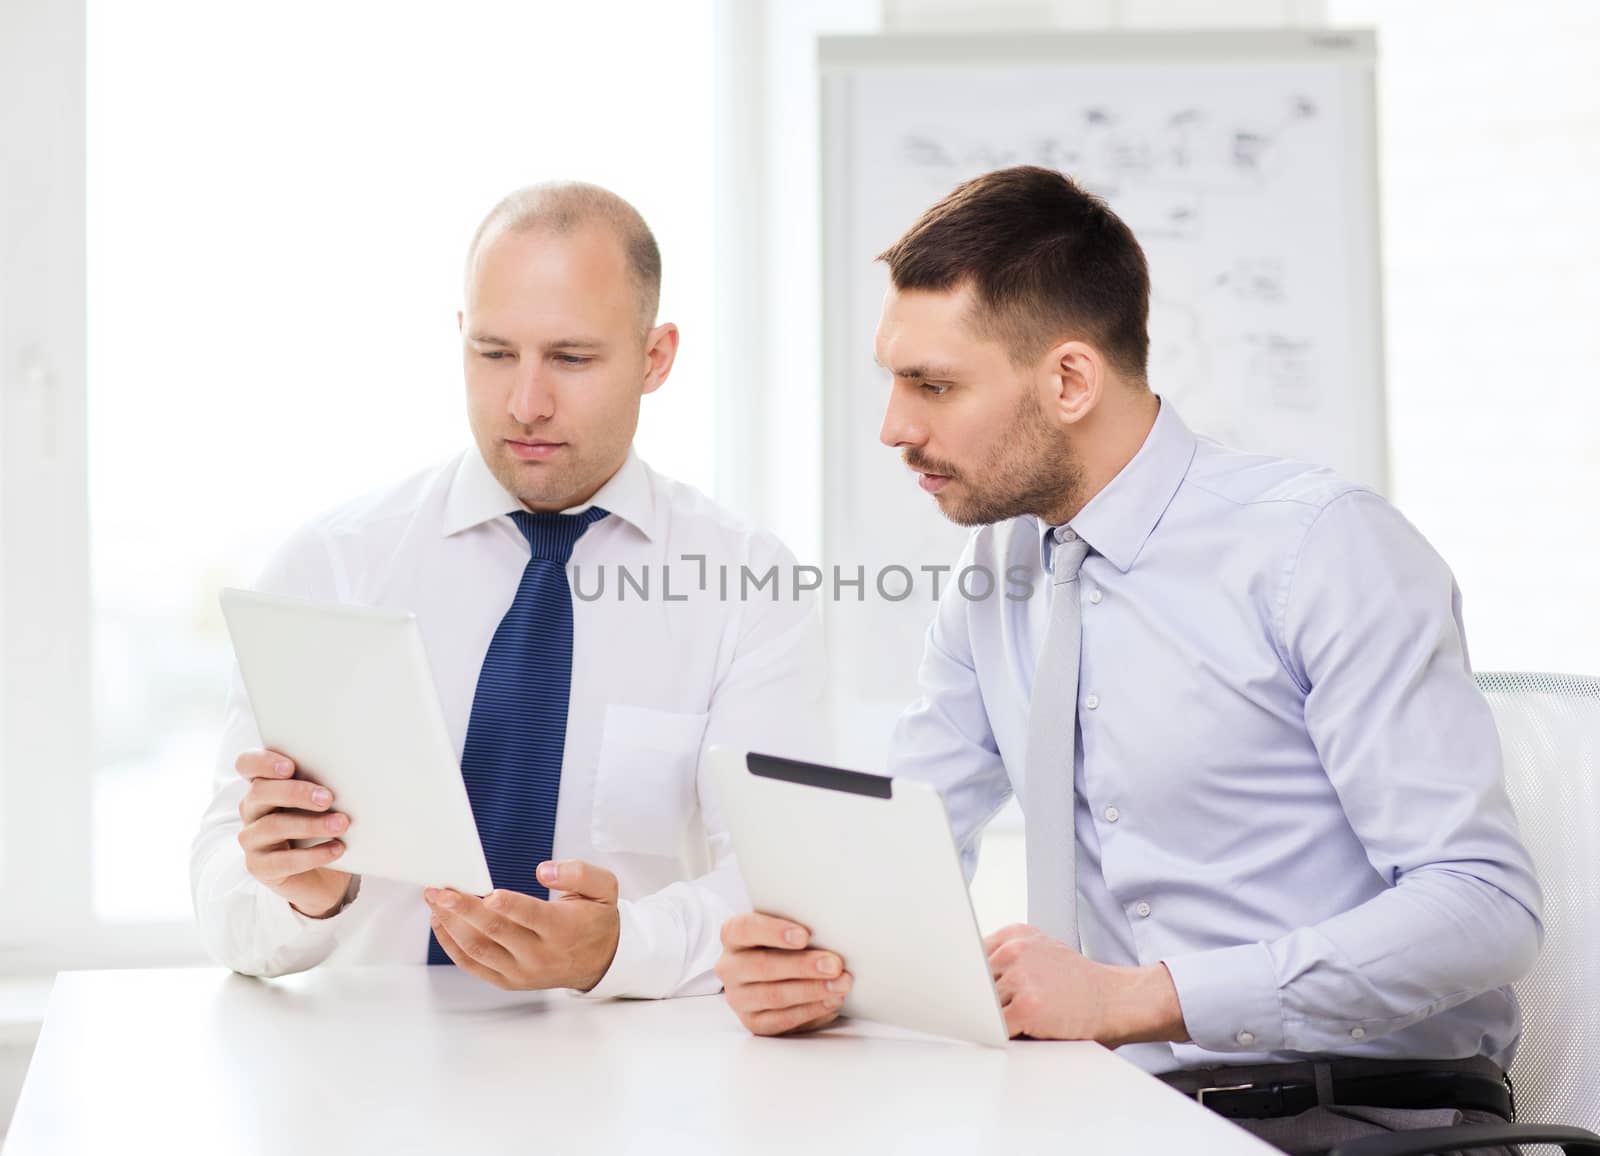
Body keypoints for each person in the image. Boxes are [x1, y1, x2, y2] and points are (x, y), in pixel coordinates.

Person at [715, 166, 1540, 1154]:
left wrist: (1141, 999)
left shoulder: (1319, 549)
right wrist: (810, 959)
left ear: (1069, 379)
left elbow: (1485, 908)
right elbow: (906, 839)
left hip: (1350, 1120)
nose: (894, 426)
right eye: (893, 379)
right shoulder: (998, 568)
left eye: (932, 385)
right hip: (1107, 1113)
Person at [192, 181, 824, 998]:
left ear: (655, 357)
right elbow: (222, 899)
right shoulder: (334, 569)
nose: (526, 404)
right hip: (369, 1092)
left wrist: (619, 947)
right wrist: (303, 899)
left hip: (631, 1087)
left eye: (571, 358)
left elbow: (782, 887)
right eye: (494, 354)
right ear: (461, 339)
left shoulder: (748, 585)